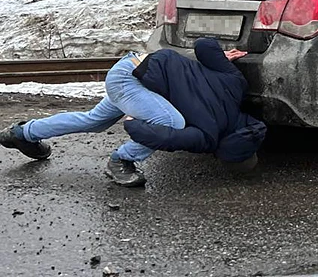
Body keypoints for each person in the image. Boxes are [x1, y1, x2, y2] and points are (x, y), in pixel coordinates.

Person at [0, 38, 266, 187]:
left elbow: (204, 46)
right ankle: (120, 161)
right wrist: (134, 125)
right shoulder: (208, 137)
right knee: (170, 121)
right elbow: (161, 135)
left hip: (133, 67)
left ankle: (22, 133)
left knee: (93, 121)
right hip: (133, 81)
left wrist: (220, 57)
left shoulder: (236, 85)